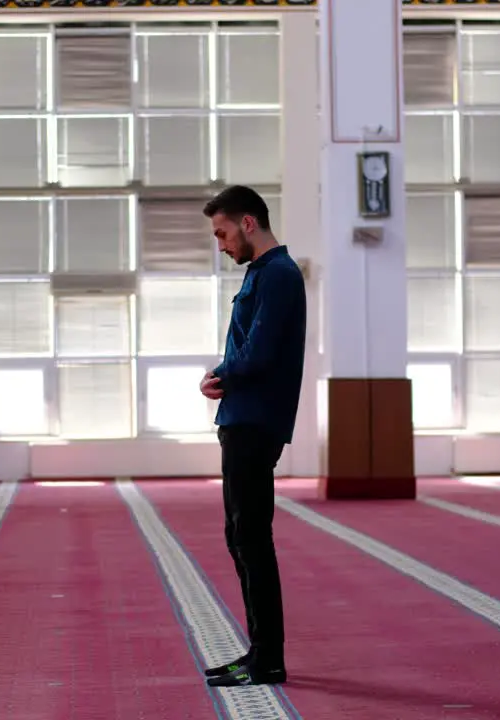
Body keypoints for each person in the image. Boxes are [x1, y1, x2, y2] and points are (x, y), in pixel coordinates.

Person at [198, 185, 306, 688]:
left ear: (247, 223)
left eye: (222, 233)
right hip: (243, 418)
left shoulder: (279, 275)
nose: (220, 244)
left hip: (255, 421)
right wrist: (223, 378)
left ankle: (268, 660)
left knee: (252, 540)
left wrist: (217, 376)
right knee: (240, 537)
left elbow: (259, 352)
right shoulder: (263, 275)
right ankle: (258, 652)